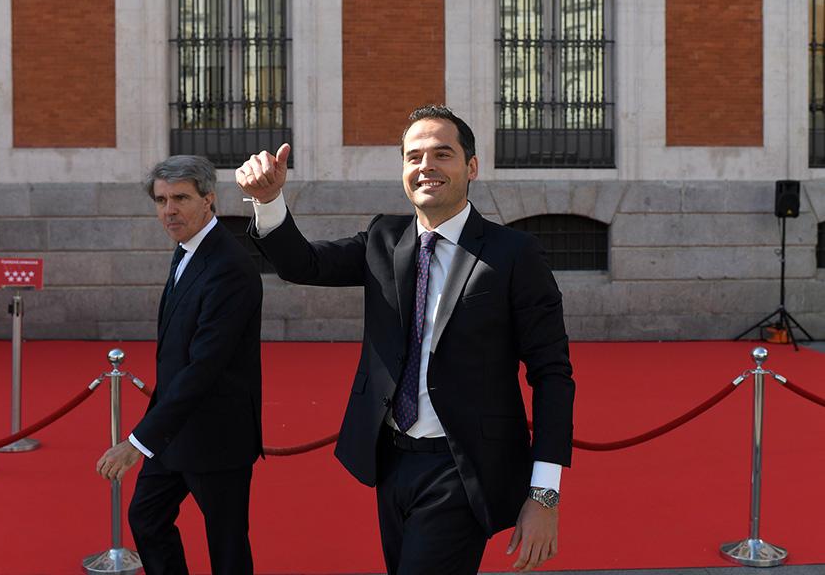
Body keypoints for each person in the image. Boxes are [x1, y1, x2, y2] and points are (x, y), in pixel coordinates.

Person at [236, 105, 575, 574]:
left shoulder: (515, 255)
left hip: (463, 467)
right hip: (392, 461)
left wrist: (544, 494)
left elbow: (552, 374)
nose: (426, 166)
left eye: (442, 153)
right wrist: (270, 201)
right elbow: (304, 265)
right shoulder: (384, 238)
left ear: (471, 167)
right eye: (414, 156)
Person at [96, 155, 263, 575]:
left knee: (226, 547)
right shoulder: (188, 249)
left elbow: (204, 366)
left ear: (209, 200)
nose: (168, 210)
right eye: (161, 200)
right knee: (147, 519)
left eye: (181, 198)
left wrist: (136, 442)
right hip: (173, 432)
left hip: (217, 435)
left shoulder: (230, 266)